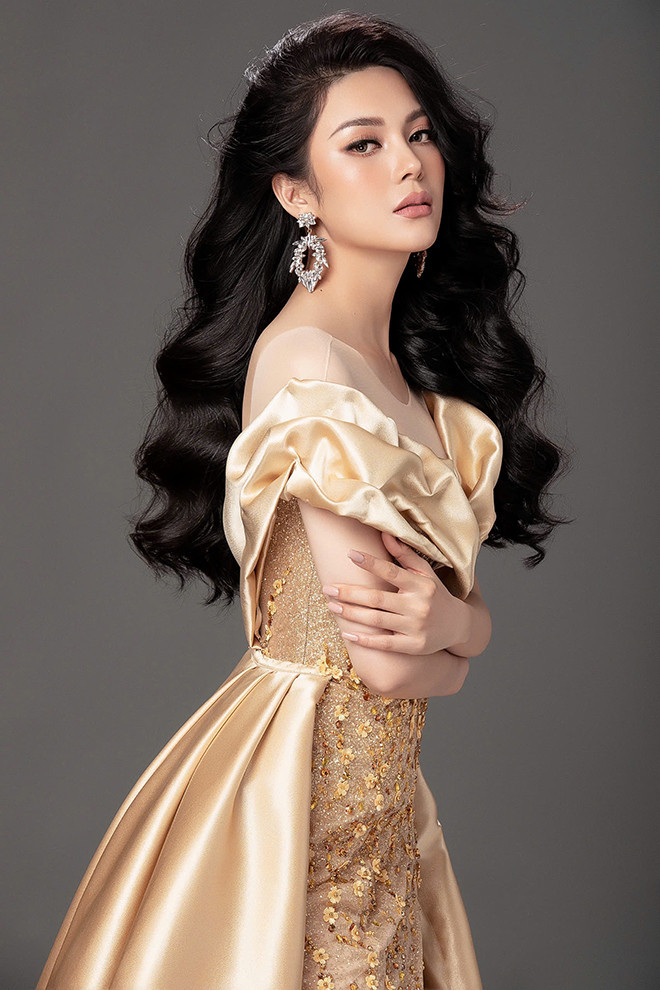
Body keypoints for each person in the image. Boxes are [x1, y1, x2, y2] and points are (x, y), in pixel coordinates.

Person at [37, 11, 569, 990]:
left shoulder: (399, 376)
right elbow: (390, 657)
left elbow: (435, 634)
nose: (408, 164)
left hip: (378, 804)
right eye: (362, 144)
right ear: (296, 192)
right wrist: (462, 634)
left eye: (418, 134)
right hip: (306, 802)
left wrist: (458, 628)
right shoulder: (310, 363)